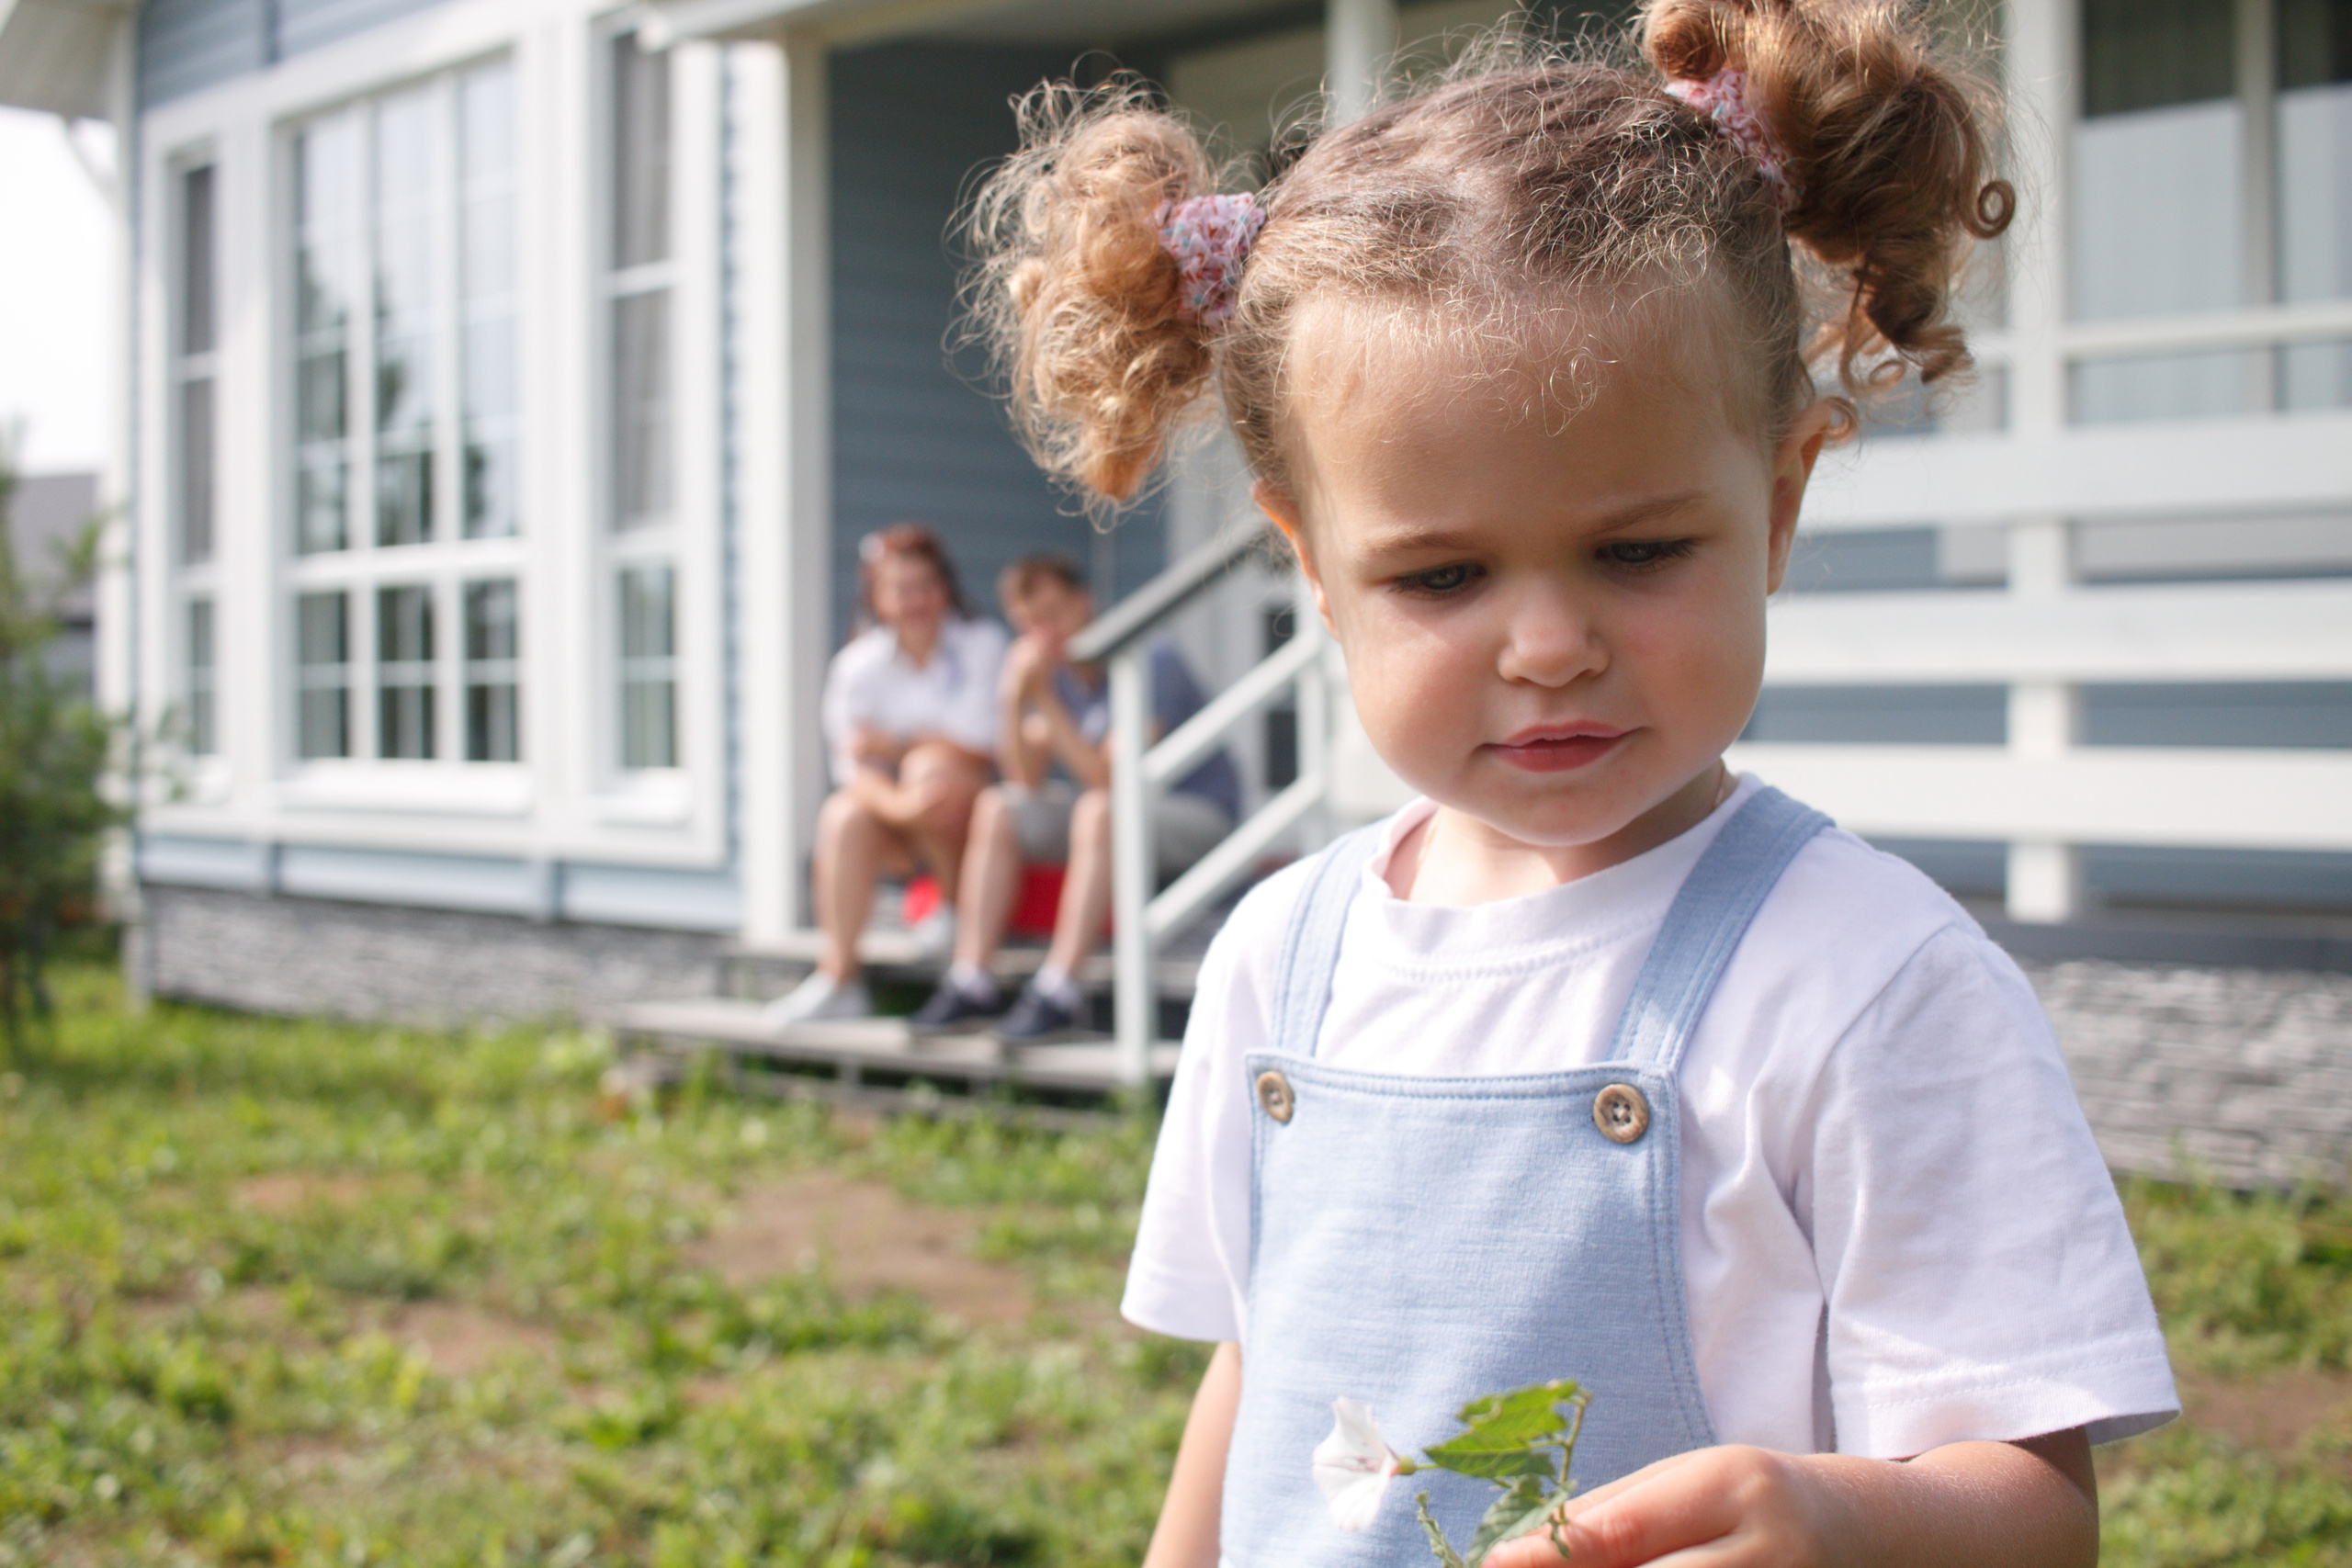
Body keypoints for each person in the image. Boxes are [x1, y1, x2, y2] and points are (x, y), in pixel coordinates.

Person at [962, 6, 2176, 1567]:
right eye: (1442, 573)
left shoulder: (1873, 987)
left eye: (1638, 550)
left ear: (1781, 501)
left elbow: (2032, 1508)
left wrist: (1834, 1518)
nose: (1546, 645)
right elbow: (1264, 1373)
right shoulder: (1283, 957)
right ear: (1315, 570)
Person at [910, 555, 1241, 1042]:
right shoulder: (1058, 676)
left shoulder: (1150, 659)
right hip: (1112, 820)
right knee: (998, 807)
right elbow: (1023, 780)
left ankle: (1060, 988)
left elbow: (1108, 779)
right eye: (1029, 625)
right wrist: (1013, 697)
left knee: (1097, 808)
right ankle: (972, 979)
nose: (1044, 633)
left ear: (1083, 603)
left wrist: (1042, 698)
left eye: (1052, 614)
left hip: (1198, 816)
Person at [765, 525, 1006, 1027]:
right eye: (901, 589)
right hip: (904, 819)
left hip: (972, 816)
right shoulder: (857, 666)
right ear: (878, 598)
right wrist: (904, 805)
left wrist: (898, 747)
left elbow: (981, 744)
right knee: (843, 815)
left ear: (946, 590)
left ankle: (951, 908)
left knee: (929, 768)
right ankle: (840, 977)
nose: (916, 601)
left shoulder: (982, 644)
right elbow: (854, 770)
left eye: (926, 586)